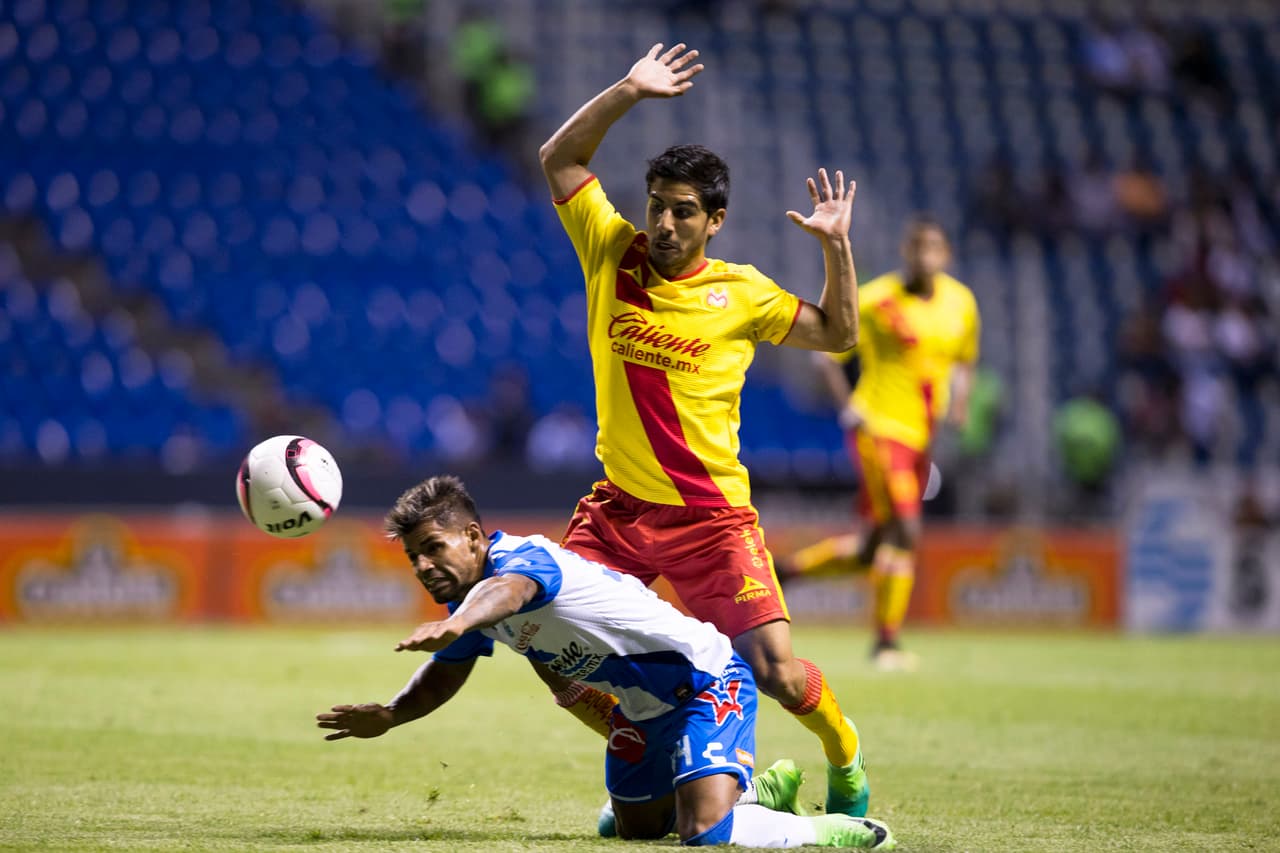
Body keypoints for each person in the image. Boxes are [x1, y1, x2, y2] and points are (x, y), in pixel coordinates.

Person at [534, 42, 872, 824]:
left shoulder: (743, 292)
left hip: (710, 518)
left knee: (777, 672)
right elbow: (559, 158)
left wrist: (837, 248)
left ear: (715, 220)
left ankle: (843, 754)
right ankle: (665, 769)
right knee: (555, 654)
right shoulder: (610, 251)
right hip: (617, 515)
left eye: (684, 210)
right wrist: (627, 90)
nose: (663, 221)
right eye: (656, 203)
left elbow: (839, 335)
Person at [316, 475, 896, 849]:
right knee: (635, 831)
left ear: (471, 536)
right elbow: (448, 670)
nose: (422, 565)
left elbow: (511, 592)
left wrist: (460, 620)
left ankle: (828, 832)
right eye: (415, 556)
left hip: (707, 680)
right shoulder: (463, 599)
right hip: (642, 716)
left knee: (703, 835)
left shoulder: (524, 558)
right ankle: (755, 792)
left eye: (433, 548)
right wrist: (391, 715)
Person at [784, 216, 979, 671]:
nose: (925, 257)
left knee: (873, 547)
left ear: (946, 255)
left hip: (922, 436)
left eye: (934, 248)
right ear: (905, 252)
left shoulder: (961, 303)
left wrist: (962, 400)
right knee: (907, 529)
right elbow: (826, 354)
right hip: (880, 429)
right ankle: (886, 643)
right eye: (918, 247)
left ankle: (786, 572)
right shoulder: (876, 299)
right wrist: (847, 406)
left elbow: (965, 359)